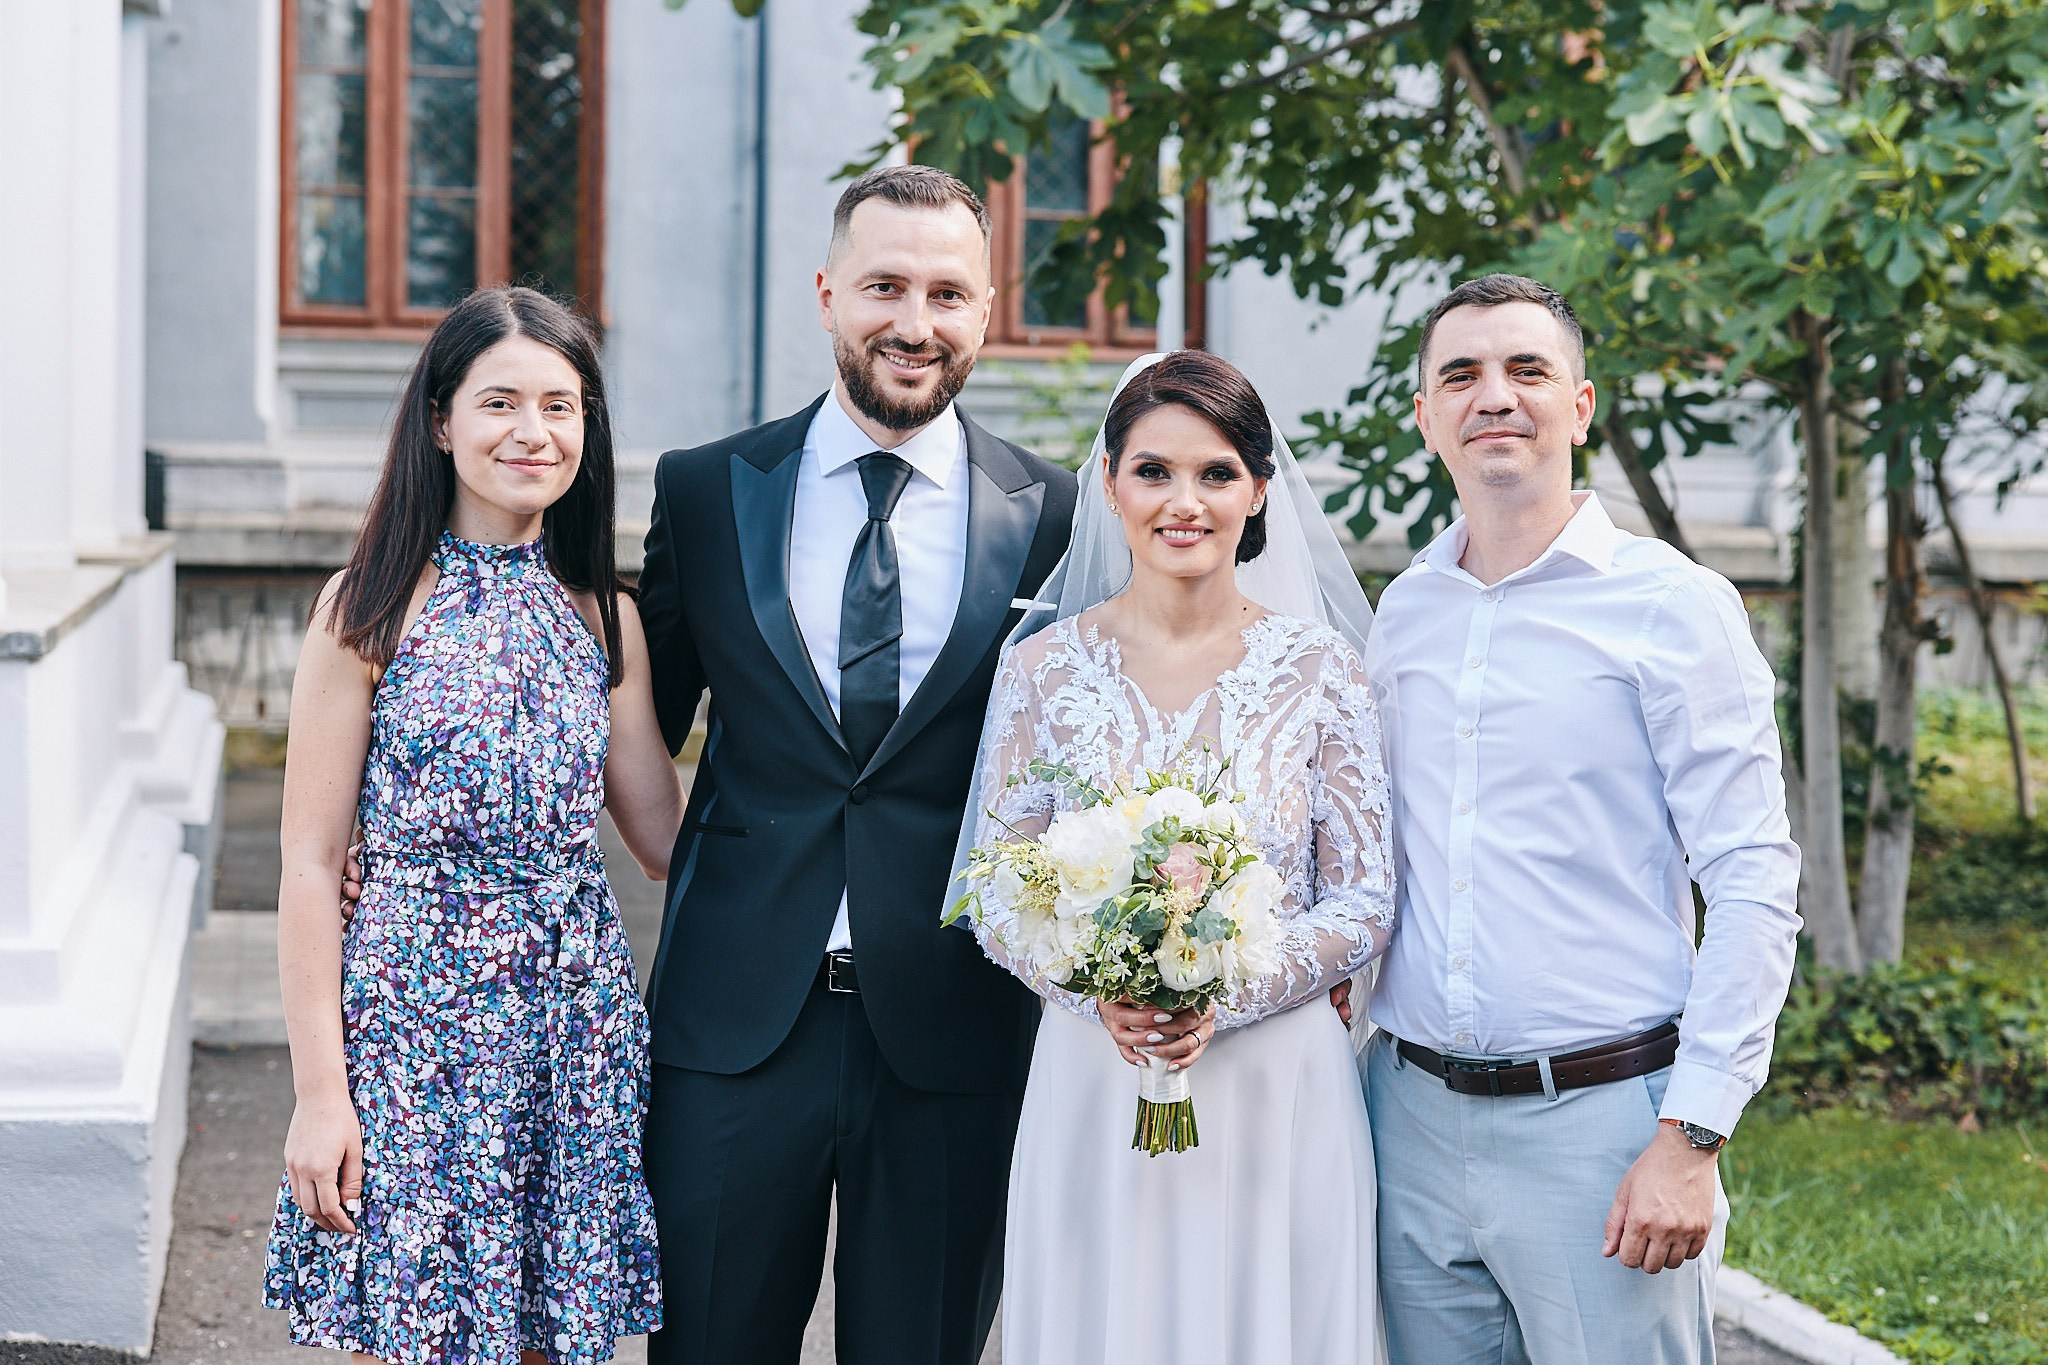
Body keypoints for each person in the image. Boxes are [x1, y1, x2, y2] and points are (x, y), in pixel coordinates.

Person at [632, 165, 1076, 1365]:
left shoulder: (1054, 515)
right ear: (830, 295)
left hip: (952, 1032)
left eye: (945, 293)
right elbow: (630, 734)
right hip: (732, 1030)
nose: (913, 324)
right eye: (884, 286)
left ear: (986, 312)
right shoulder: (707, 491)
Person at [1362, 273, 1802, 1365]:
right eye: (1458, 374)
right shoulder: (1401, 613)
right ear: (1424, 417)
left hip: (1603, 1125)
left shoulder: (1670, 607)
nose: (1493, 396)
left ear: (1581, 405)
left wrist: (1688, 1134)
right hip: (1404, 1121)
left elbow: (1750, 876)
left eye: (1526, 370)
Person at [265, 287, 683, 1364]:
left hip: (570, 1029)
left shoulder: (606, 617)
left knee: (551, 1338)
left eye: (561, 405)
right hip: (413, 1026)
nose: (533, 432)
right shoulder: (366, 605)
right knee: (404, 1337)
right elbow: (310, 865)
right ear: (442, 421)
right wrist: (321, 1097)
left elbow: (663, 839)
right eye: (501, 402)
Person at [964, 349, 1395, 1364]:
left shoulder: (1322, 671)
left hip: (1273, 1082)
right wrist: (1094, 991)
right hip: (1096, 1074)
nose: (1182, 501)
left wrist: (1223, 988)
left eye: (1214, 473)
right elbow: (994, 888)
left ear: (1257, 490)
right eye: (1153, 471)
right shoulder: (1042, 669)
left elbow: (1364, 895)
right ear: (1108, 483)